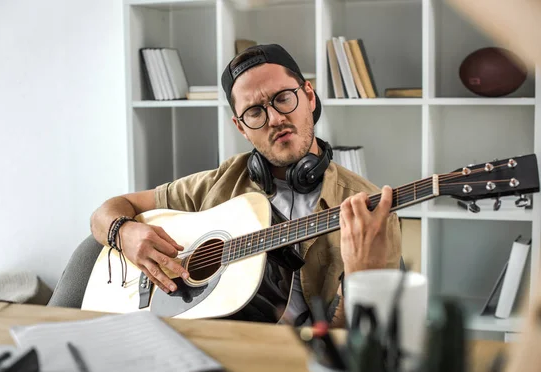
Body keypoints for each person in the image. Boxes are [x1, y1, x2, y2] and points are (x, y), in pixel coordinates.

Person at [90, 44, 402, 328]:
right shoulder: (221, 182)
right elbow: (104, 213)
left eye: (283, 98)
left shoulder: (370, 209)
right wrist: (124, 232)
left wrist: (363, 278)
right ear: (240, 127)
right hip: (200, 340)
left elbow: (365, 341)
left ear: (309, 95)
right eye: (255, 111)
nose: (275, 118)